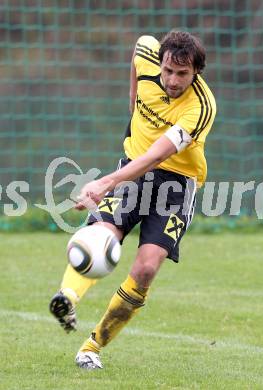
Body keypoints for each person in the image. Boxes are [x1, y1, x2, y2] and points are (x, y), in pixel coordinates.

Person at [49, 30, 216, 370]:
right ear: (162, 61)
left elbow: (156, 157)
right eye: (168, 70)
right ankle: (66, 298)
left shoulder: (201, 107)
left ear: (197, 71)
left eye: (182, 74)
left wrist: (106, 182)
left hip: (177, 185)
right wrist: (133, 111)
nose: (172, 79)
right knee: (102, 235)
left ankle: (91, 347)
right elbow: (139, 49)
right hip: (133, 172)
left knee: (146, 268)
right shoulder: (146, 54)